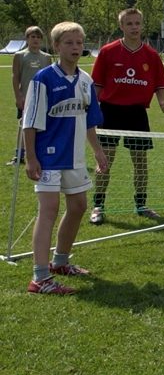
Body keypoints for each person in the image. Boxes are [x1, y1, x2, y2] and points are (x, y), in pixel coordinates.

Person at [22, 21, 109, 295]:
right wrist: (31, 157)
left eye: (79, 43)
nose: (75, 47)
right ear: (56, 46)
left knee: (79, 206)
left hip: (75, 158)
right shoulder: (43, 79)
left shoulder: (85, 81)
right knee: (48, 210)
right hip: (48, 158)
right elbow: (29, 122)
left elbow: (91, 121)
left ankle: (60, 262)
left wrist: (97, 151)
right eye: (69, 43)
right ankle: (40, 278)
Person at [89, 8, 164, 225]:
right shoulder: (108, 51)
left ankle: (141, 204)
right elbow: (96, 85)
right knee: (104, 161)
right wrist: (90, 110)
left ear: (142, 25)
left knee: (140, 162)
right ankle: (98, 205)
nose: (134, 27)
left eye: (137, 23)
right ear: (121, 26)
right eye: (129, 23)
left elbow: (160, 82)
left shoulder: (151, 55)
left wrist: (161, 100)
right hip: (110, 112)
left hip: (137, 114)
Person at [9, 26, 51, 165]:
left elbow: (49, 79)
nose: (36, 40)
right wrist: (18, 96)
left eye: (38, 37)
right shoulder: (20, 55)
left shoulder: (46, 57)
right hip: (26, 98)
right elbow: (15, 77)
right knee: (23, 125)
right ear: (27, 39)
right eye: (33, 37)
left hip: (43, 98)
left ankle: (38, 153)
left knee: (42, 126)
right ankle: (19, 155)